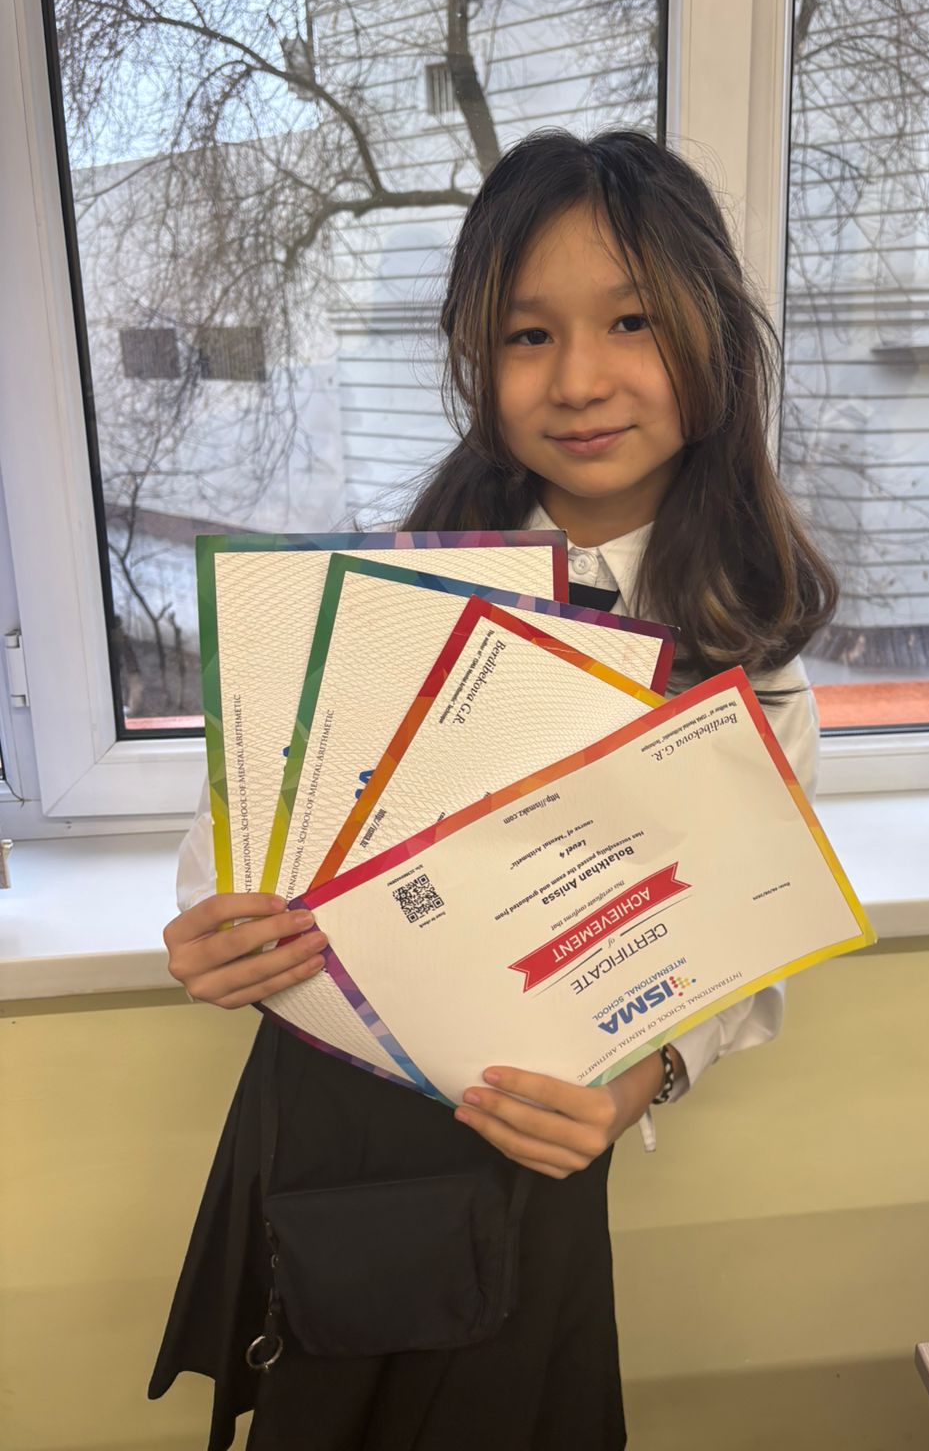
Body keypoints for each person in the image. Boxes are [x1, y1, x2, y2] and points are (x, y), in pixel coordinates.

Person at [150, 128, 837, 1451]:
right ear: (479, 359)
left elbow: (742, 948)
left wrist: (637, 1087)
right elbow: (237, 836)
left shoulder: (749, 655)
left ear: (712, 339)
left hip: (526, 1156)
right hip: (332, 1138)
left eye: (631, 321)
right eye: (528, 335)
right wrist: (212, 925)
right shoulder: (387, 592)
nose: (578, 379)